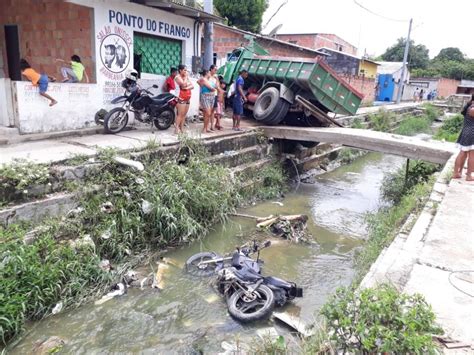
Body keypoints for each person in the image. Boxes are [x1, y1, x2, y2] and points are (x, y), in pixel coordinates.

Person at [453, 95, 474, 181]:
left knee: (462, 153)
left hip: (466, 131)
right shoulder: (473, 108)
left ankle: (456, 173)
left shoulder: (468, 105)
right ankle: (469, 175)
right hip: (472, 132)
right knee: (472, 155)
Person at [174, 64, 194, 134]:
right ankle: (176, 129)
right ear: (180, 70)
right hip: (181, 97)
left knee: (184, 114)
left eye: (186, 70)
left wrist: (186, 88)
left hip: (187, 97)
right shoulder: (177, 77)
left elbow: (192, 86)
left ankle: (181, 128)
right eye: (185, 70)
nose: (186, 72)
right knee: (180, 114)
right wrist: (185, 77)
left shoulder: (186, 77)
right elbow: (183, 84)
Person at [209, 64, 219, 130]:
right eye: (215, 70)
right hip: (208, 95)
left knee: (213, 111)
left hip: (214, 95)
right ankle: (207, 126)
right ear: (211, 69)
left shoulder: (215, 77)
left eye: (216, 70)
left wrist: (217, 79)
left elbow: (217, 86)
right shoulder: (208, 76)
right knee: (208, 111)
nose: (216, 71)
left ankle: (212, 125)